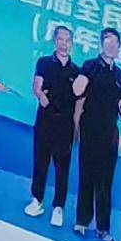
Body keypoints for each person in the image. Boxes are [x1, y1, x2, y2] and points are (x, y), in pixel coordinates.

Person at [72, 23, 121, 238]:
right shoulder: (90, 65)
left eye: (115, 43)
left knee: (106, 181)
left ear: (119, 47)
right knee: (87, 176)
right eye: (108, 41)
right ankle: (82, 221)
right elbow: (77, 92)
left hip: (110, 134)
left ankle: (103, 228)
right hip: (90, 129)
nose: (111, 46)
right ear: (101, 44)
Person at [27, 19, 80, 220]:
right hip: (45, 121)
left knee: (62, 167)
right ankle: (36, 200)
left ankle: (58, 207)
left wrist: (76, 128)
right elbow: (36, 86)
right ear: (55, 41)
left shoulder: (76, 71)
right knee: (40, 163)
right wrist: (41, 96)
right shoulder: (44, 63)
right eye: (60, 39)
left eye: (67, 40)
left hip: (65, 125)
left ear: (72, 43)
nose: (63, 43)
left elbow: (78, 103)